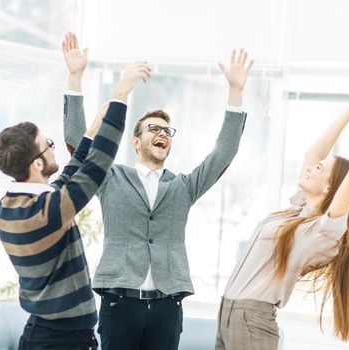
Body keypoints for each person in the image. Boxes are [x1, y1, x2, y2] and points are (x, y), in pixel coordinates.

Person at [66, 48, 254, 350]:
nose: (163, 133)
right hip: (119, 304)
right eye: (154, 128)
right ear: (136, 141)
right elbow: (78, 144)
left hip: (167, 307)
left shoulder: (183, 187)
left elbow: (224, 153)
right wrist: (75, 78)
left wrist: (236, 91)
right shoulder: (112, 178)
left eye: (167, 130)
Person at [217, 106, 349, 349]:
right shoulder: (298, 210)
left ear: (330, 188)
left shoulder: (321, 230)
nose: (310, 167)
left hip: (251, 318)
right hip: (229, 311)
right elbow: (313, 153)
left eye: (319, 169)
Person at [0, 32, 152, 350]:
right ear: (37, 165)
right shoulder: (47, 211)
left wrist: (77, 85)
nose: (54, 148)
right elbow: (96, 166)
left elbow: (68, 176)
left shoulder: (13, 204)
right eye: (48, 145)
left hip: (49, 334)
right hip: (60, 341)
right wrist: (122, 92)